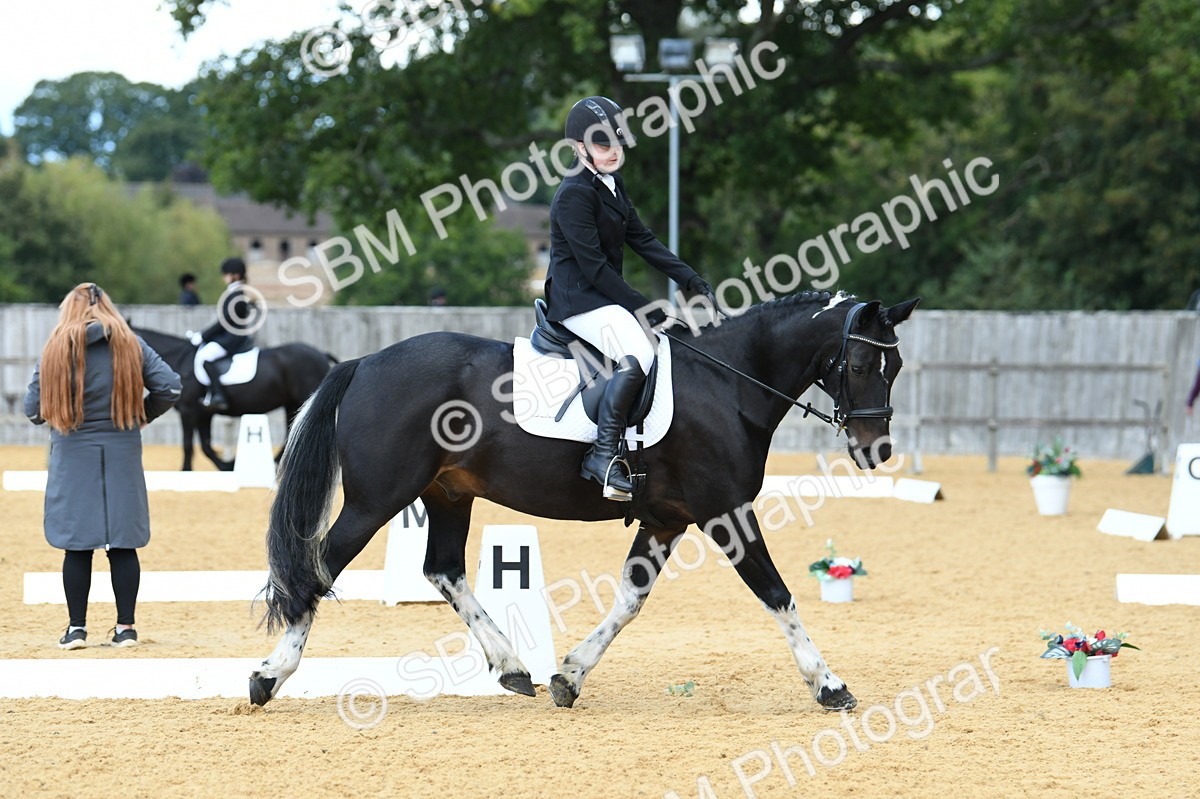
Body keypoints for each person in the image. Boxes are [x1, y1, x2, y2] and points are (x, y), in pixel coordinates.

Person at [544, 95, 713, 501]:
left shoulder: (612, 184)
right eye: (604, 145)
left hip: (601, 296)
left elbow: (642, 239)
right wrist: (642, 307)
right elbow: (594, 267)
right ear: (579, 148)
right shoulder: (573, 195)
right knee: (638, 353)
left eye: (618, 144)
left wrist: (690, 278)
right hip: (577, 300)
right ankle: (601, 457)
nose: (614, 152)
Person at [24, 283, 181, 650]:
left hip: (72, 450)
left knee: (76, 546)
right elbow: (170, 387)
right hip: (122, 450)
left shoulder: (55, 348)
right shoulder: (131, 344)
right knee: (123, 544)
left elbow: (32, 411)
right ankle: (126, 628)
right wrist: (141, 413)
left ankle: (76, 628)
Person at [193, 257, 258, 411]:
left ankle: (219, 395)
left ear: (234, 275)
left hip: (232, 339)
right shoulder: (235, 292)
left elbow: (225, 321)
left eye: (226, 274)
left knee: (205, 356)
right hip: (230, 336)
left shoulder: (236, 293)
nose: (224, 277)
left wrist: (203, 336)